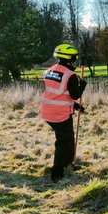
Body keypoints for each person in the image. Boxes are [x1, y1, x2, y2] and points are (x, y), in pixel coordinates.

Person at [39, 43, 87, 182]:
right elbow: (74, 95)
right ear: (69, 58)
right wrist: (81, 87)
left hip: (48, 111)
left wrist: (75, 106)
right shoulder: (70, 75)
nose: (75, 60)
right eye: (74, 58)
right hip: (59, 114)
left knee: (68, 139)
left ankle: (68, 164)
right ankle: (57, 173)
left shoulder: (49, 71)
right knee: (63, 142)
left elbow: (58, 94)